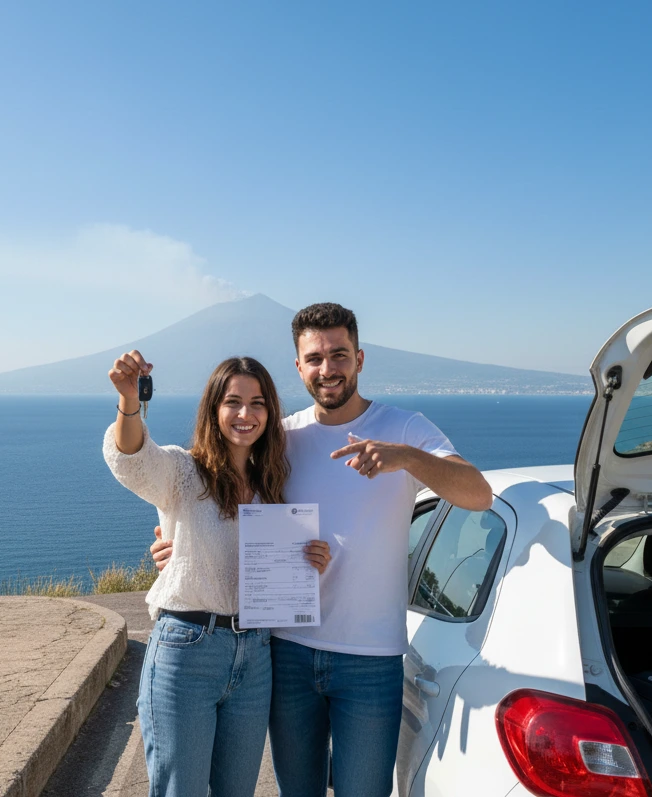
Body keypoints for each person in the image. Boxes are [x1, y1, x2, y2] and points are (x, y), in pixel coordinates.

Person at [151, 303, 493, 797]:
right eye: (314, 358)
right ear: (298, 367)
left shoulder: (404, 428)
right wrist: (174, 541)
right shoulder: (281, 437)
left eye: (338, 355)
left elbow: (477, 493)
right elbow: (210, 486)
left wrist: (405, 458)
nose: (327, 369)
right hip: (287, 649)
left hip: (370, 658)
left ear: (359, 357)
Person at [103, 350, 331, 797]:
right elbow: (132, 459)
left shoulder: (274, 487)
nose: (246, 414)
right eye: (233, 401)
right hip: (188, 651)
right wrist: (129, 402)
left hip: (255, 655)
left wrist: (310, 562)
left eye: (258, 403)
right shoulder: (184, 472)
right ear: (213, 408)